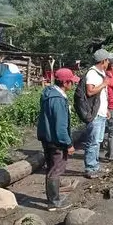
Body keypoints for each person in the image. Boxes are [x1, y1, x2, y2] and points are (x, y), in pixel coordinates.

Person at [36, 68, 79, 210]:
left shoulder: (48, 94)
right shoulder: (58, 100)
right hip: (56, 140)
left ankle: (52, 199)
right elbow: (60, 126)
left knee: (50, 168)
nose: (72, 85)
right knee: (56, 170)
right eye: (71, 82)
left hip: (47, 137)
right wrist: (68, 144)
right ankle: (54, 202)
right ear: (65, 82)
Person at [83, 49, 113, 179]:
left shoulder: (100, 73)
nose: (109, 62)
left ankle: (95, 165)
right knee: (93, 141)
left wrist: (105, 109)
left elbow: (101, 96)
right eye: (107, 60)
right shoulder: (92, 73)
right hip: (94, 114)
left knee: (98, 141)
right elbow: (90, 91)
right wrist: (104, 84)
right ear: (103, 61)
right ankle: (90, 168)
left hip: (100, 113)